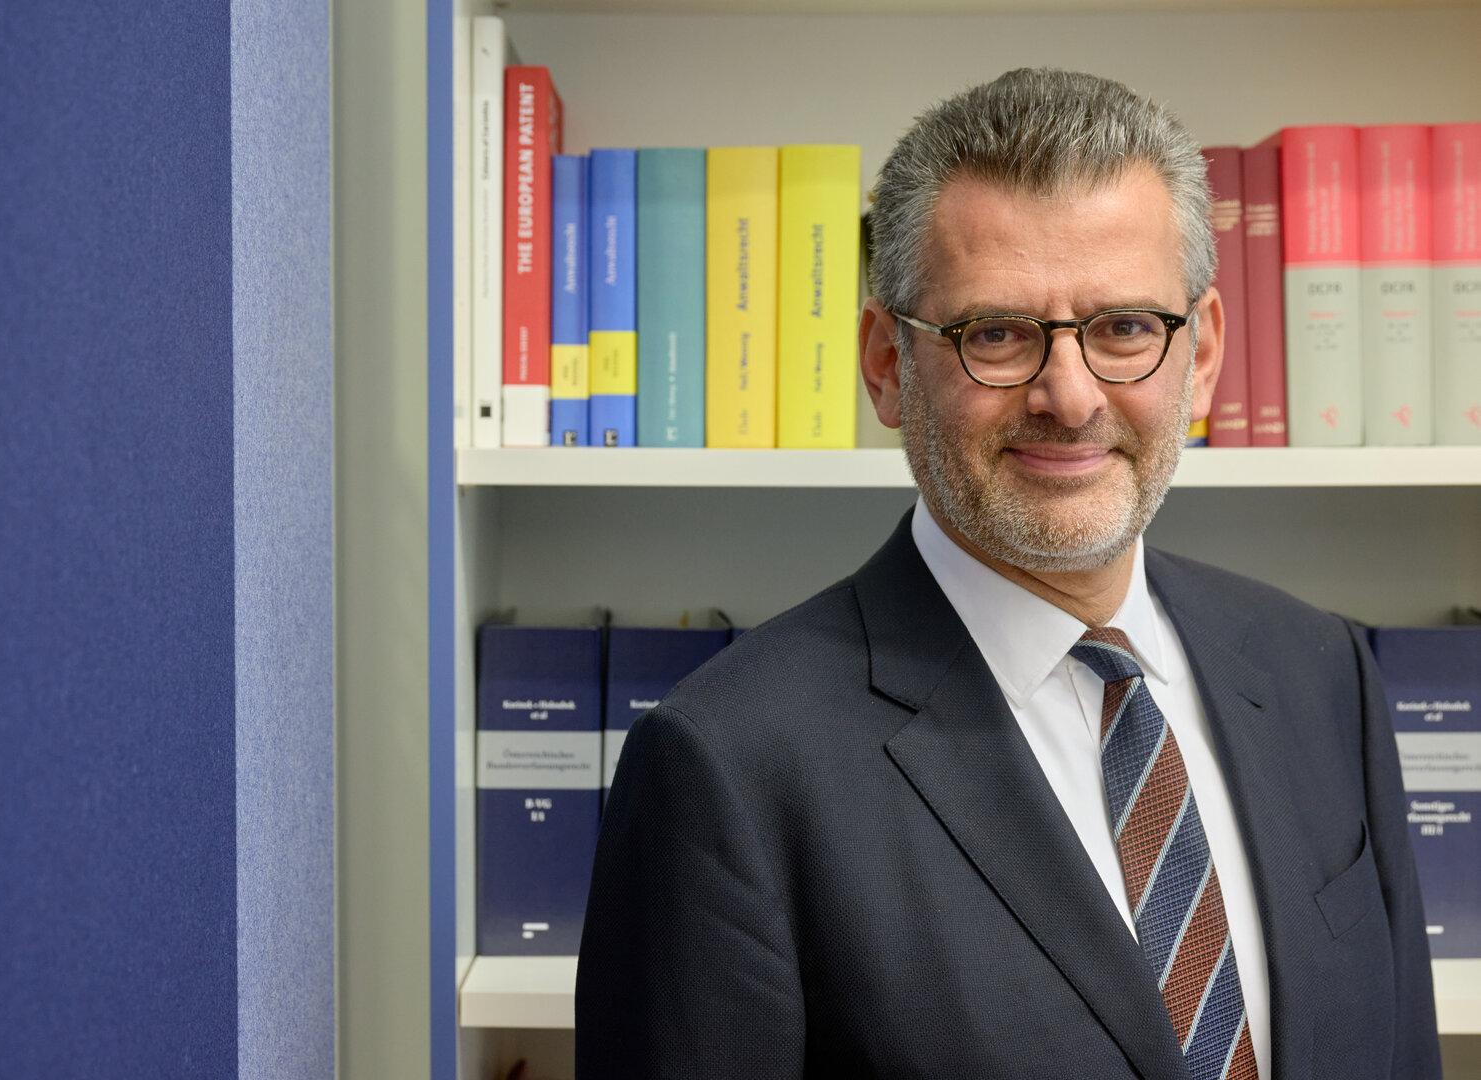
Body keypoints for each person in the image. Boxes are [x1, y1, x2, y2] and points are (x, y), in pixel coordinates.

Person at [574, 68, 1441, 1080]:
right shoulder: (727, 765)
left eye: (1125, 327)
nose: (1069, 398)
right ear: (887, 364)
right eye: (995, 334)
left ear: (1202, 354)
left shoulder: (1320, 670)